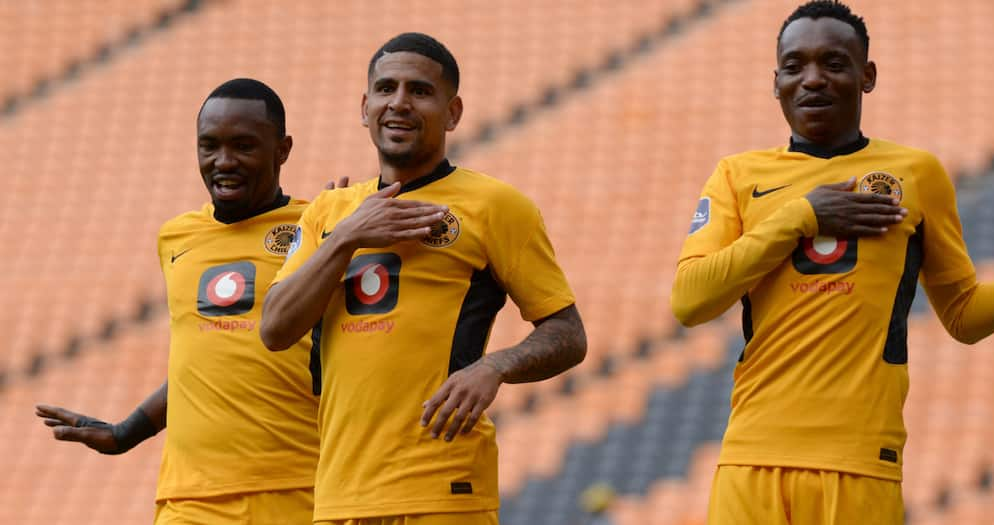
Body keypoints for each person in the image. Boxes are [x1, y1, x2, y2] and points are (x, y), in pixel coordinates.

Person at [671, 1, 994, 523]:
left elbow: (963, 314)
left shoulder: (917, 174)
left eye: (834, 63)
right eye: (795, 66)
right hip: (751, 456)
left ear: (867, 76)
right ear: (774, 80)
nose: (813, 80)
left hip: (860, 460)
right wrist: (802, 215)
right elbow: (690, 301)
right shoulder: (736, 176)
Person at [260, 32, 587, 525]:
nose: (399, 103)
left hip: (442, 488)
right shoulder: (330, 212)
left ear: (453, 113)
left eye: (420, 91)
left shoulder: (496, 206)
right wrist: (347, 237)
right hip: (338, 495)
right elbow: (275, 329)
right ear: (364, 105)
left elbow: (568, 334)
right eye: (386, 88)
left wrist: (494, 367)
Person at [35, 78, 332, 524]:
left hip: (296, 490)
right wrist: (125, 433)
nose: (223, 162)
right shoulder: (176, 237)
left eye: (244, 146)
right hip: (188, 500)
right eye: (208, 146)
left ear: (283, 148)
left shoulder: (318, 227)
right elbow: (202, 364)